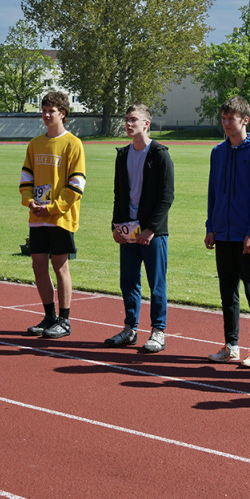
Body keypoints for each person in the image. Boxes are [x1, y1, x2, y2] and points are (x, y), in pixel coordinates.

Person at [205, 96, 250, 369]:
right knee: (228, 294)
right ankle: (231, 346)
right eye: (223, 119)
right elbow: (213, 192)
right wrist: (210, 227)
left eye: (230, 119)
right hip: (223, 235)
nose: (226, 124)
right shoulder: (217, 152)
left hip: (248, 238)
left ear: (245, 120)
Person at [106, 104, 174, 353]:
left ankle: (158, 331)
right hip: (128, 230)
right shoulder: (123, 155)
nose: (128, 123)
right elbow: (118, 194)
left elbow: (166, 196)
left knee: (157, 283)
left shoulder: (159, 154)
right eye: (127, 119)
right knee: (128, 281)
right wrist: (115, 226)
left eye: (133, 119)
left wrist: (151, 229)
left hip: (153, 233)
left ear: (147, 124)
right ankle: (129, 329)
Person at [21, 91, 87, 339]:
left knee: (60, 266)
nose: (47, 115)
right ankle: (49, 316)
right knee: (38, 265)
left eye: (52, 111)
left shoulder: (73, 143)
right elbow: (26, 178)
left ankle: (64, 320)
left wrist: (52, 207)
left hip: (60, 217)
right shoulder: (35, 144)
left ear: (63, 113)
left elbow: (76, 185)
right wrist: (30, 201)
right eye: (44, 110)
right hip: (37, 216)